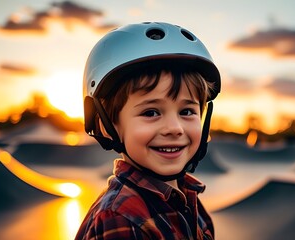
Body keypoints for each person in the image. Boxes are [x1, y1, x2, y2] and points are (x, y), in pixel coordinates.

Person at [76, 22, 221, 240]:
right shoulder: (121, 218)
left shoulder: (188, 197)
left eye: (187, 111)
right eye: (151, 112)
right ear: (107, 125)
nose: (174, 128)